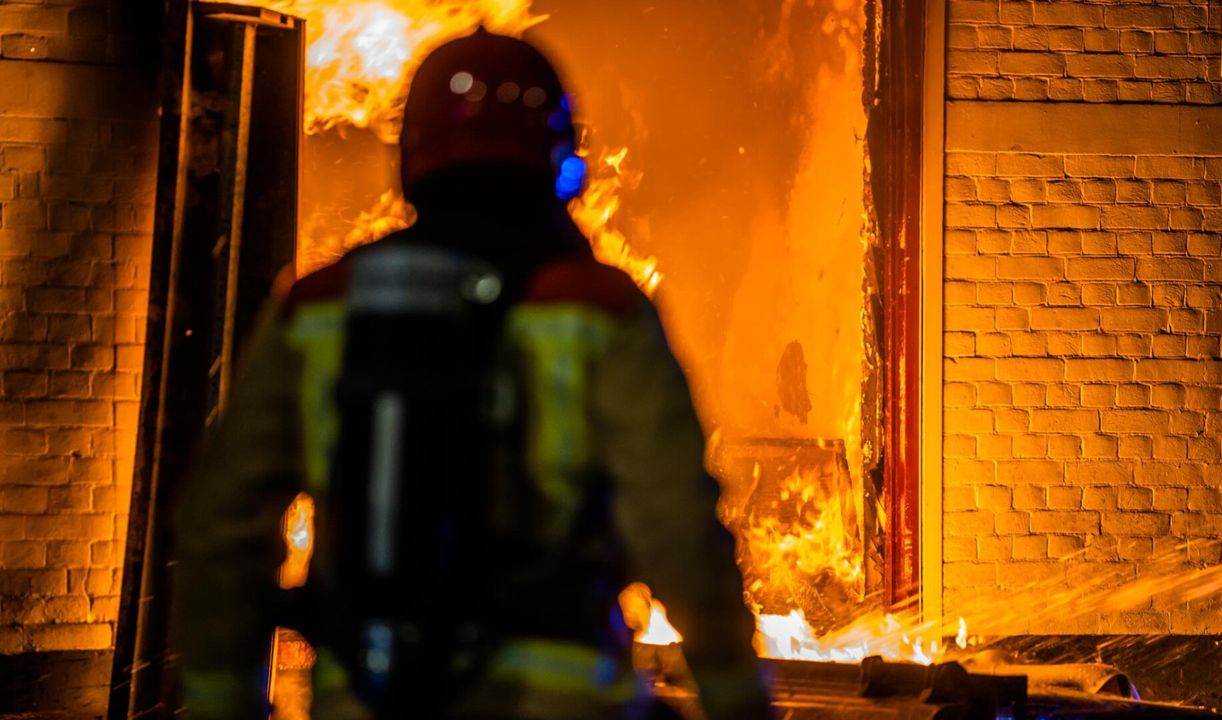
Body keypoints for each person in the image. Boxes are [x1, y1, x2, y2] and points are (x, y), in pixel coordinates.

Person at [173, 27, 773, 720]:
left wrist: (225, 703)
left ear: (413, 153)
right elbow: (675, 525)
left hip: (368, 700)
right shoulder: (600, 308)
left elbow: (222, 524)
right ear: (557, 158)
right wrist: (734, 692)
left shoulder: (321, 307)